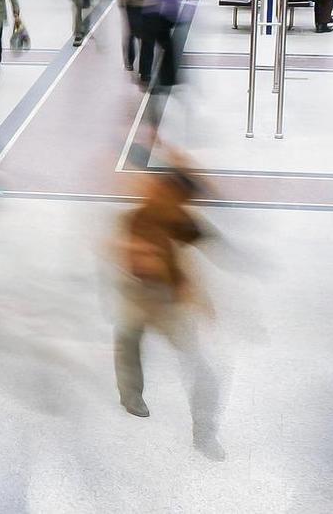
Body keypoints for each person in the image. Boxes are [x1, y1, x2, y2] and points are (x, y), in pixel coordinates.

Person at [111, 168, 223, 461]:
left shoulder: (178, 219)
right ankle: (130, 395)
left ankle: (204, 434)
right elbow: (137, 259)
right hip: (140, 294)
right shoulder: (136, 219)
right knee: (128, 341)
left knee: (200, 368)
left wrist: (195, 292)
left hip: (168, 300)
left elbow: (203, 238)